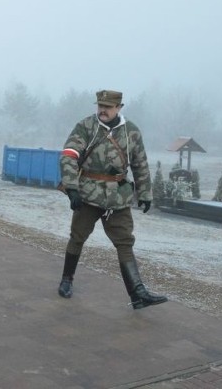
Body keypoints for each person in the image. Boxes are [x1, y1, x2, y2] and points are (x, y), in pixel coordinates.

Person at [57, 89, 167, 309]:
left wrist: (145, 193)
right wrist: (72, 188)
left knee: (125, 241)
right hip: (88, 194)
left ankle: (138, 294)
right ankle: (66, 280)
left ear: (119, 108)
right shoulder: (86, 126)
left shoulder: (131, 132)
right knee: (77, 237)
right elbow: (69, 155)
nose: (103, 110)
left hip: (118, 198)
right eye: (100, 106)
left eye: (108, 107)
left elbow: (140, 164)